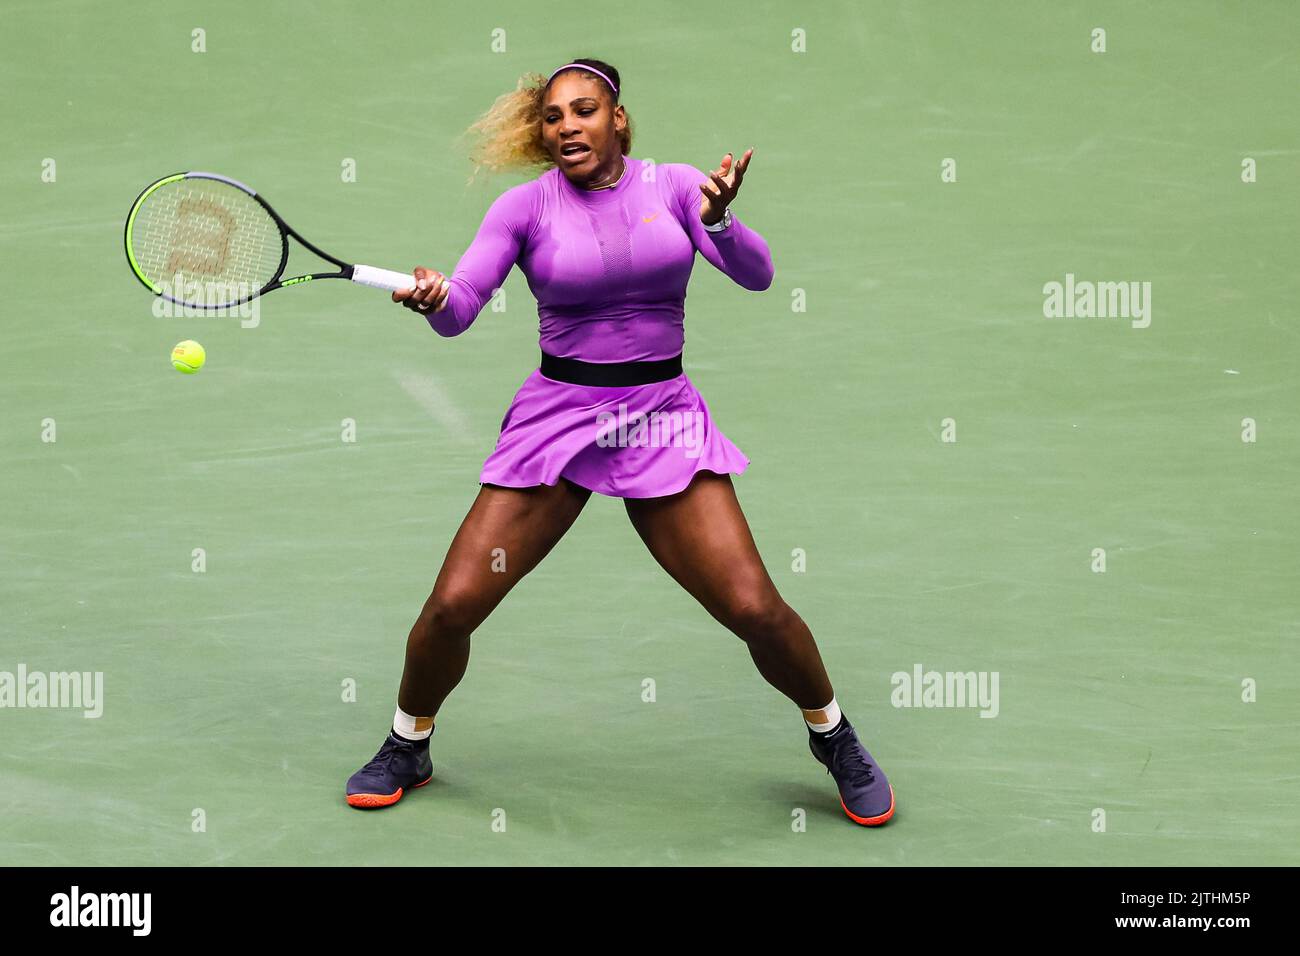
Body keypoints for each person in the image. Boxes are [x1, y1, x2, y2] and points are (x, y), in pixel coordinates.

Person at [344, 58, 894, 826]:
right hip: (559, 420)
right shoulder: (524, 209)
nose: (567, 125)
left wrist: (721, 221)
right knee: (451, 608)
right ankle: (409, 741)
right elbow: (463, 307)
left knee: (756, 608)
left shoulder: (675, 187)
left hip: (663, 417)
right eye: (553, 116)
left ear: (618, 120)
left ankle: (833, 736)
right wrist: (434, 297)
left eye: (584, 110)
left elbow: (759, 276)